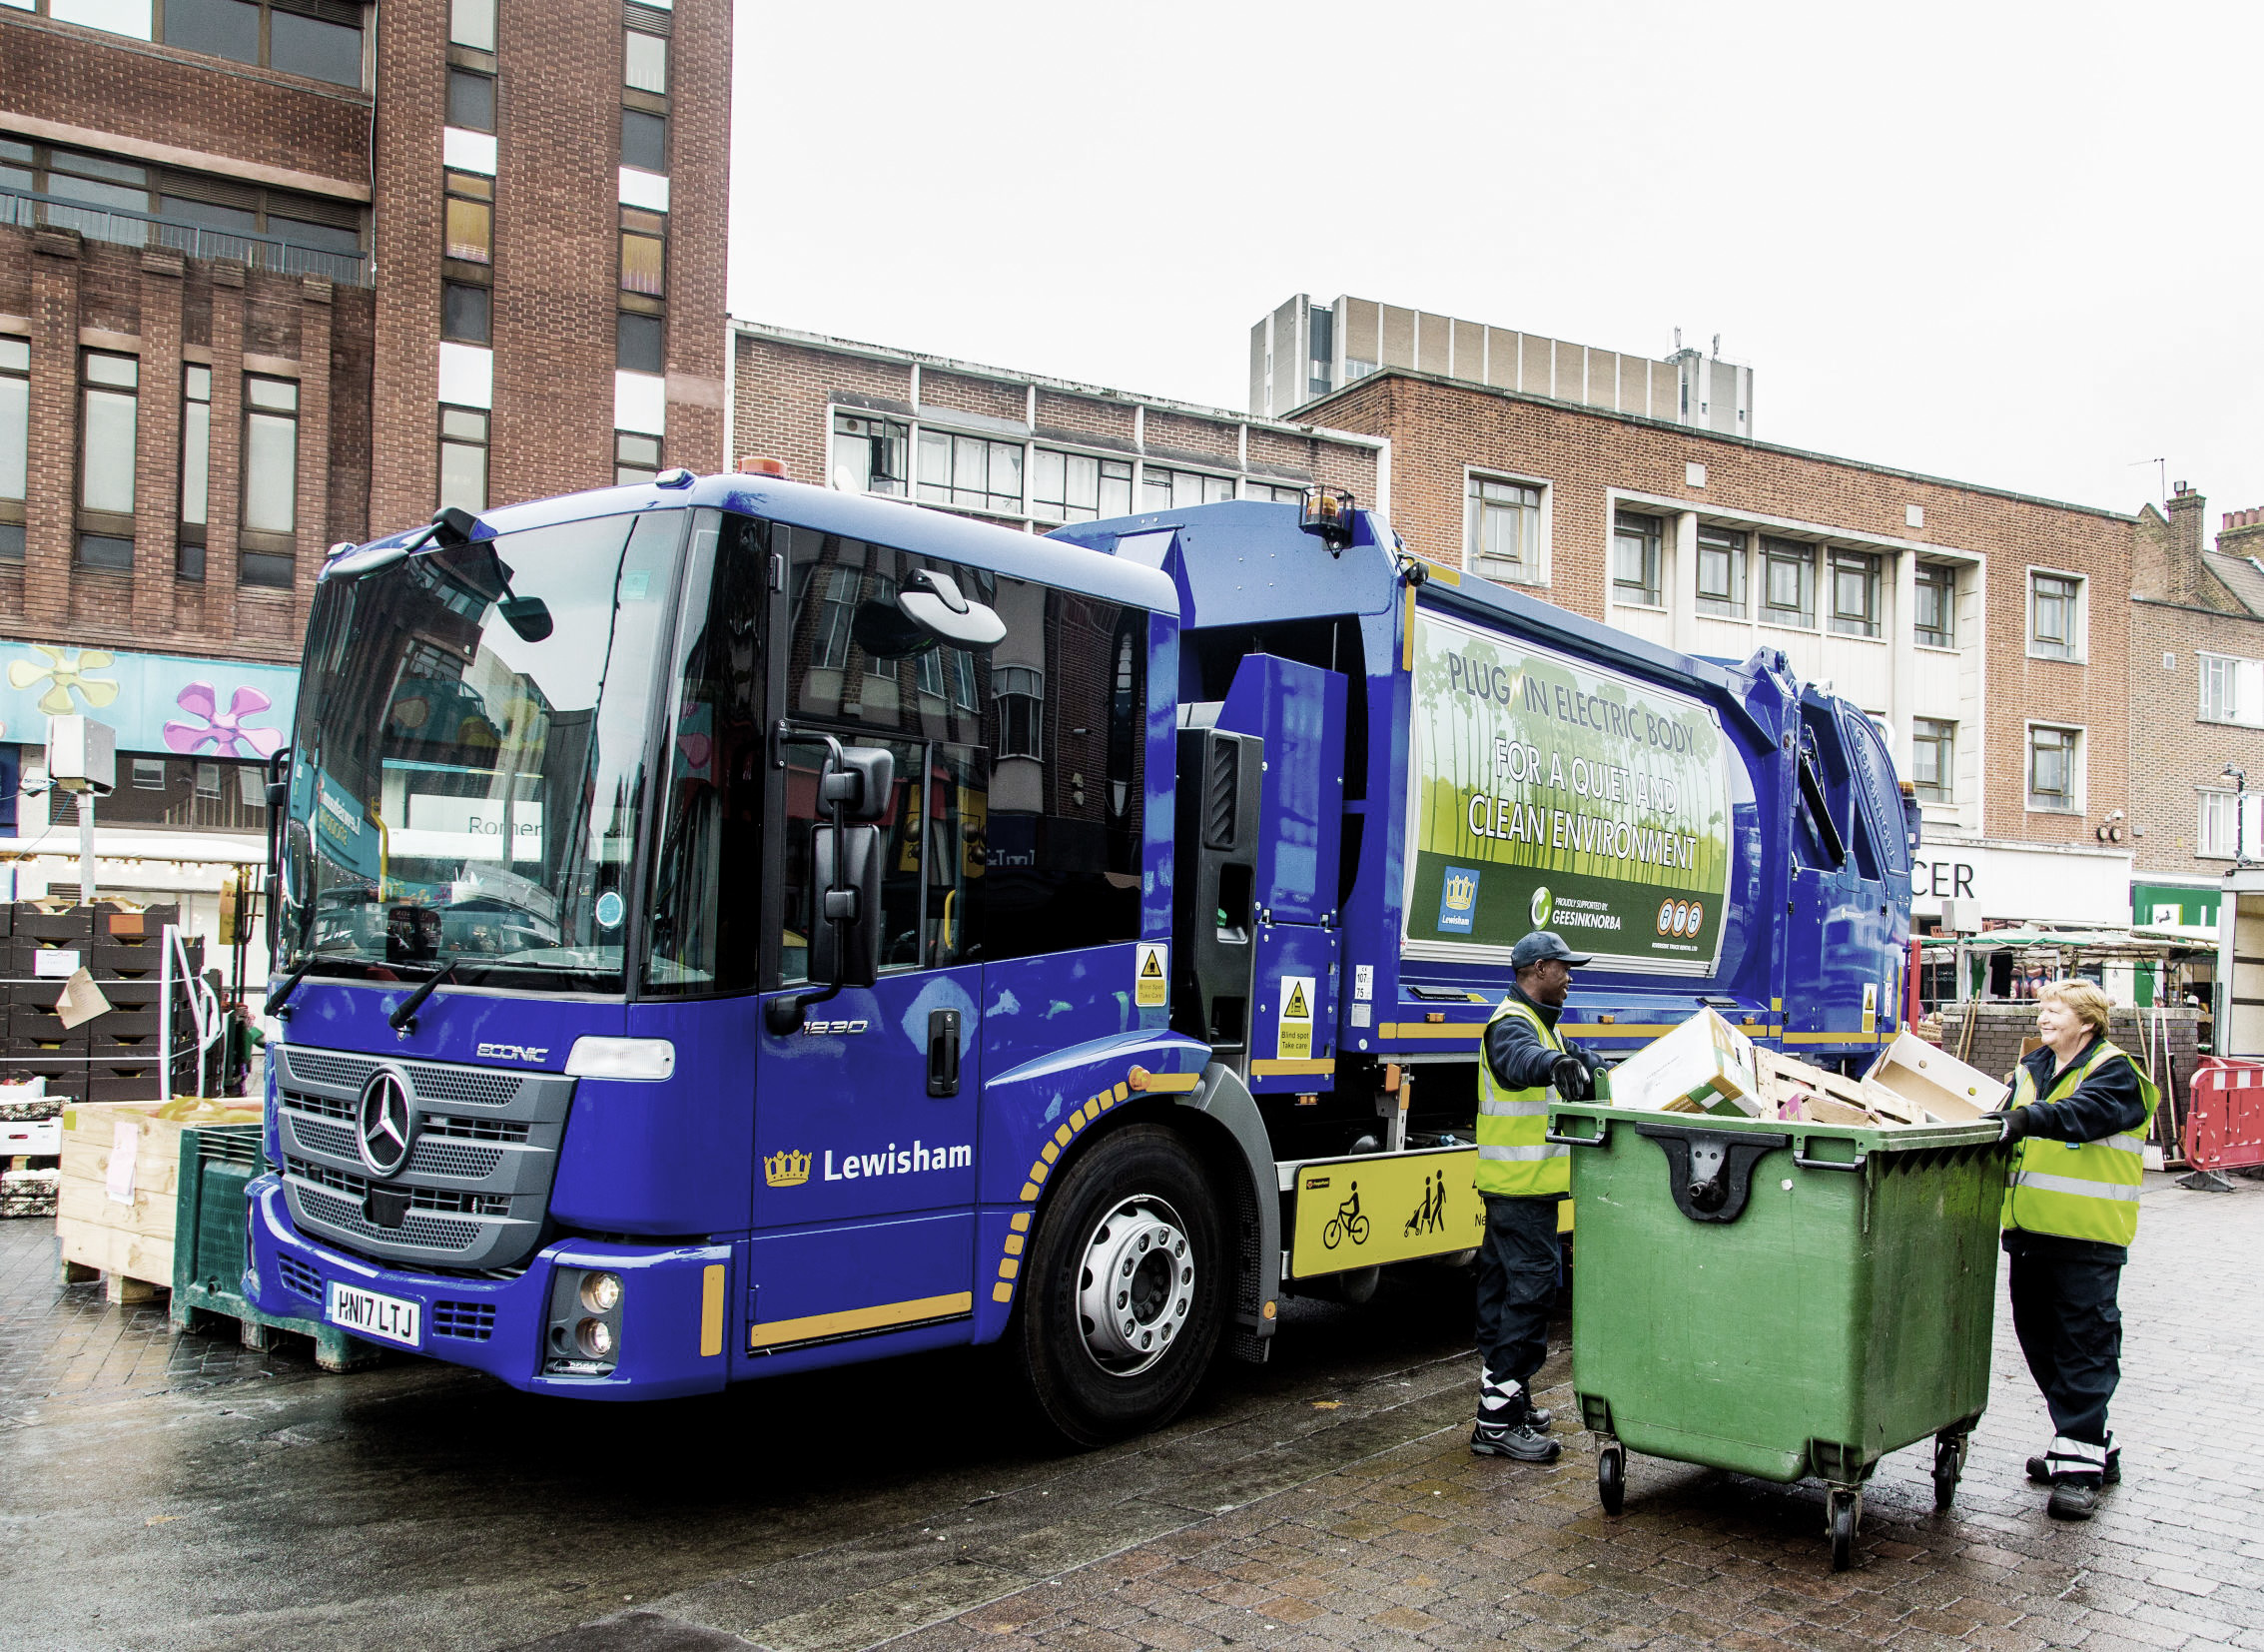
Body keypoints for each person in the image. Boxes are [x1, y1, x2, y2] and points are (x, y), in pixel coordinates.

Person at [1987, 979, 2157, 1521]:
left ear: (2087, 1021)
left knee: (2084, 1343)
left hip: (2088, 1236)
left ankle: (2080, 1470)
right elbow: (2003, 1118)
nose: (2044, 1016)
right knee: (2040, 1340)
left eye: (2056, 1009)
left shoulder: (2116, 1072)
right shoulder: (2031, 1069)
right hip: (2030, 1231)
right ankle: (2086, 1445)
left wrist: (2024, 1119)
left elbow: (2085, 1114)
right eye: (2042, 1008)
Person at [1470, 930, 1606, 1462]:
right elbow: (1519, 1061)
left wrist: (1619, 1073)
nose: (1571, 977)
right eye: (1564, 968)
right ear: (1538, 969)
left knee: (1501, 1294)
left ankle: (1505, 1398)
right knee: (1532, 1293)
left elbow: (1581, 1060)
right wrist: (1554, 1067)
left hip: (1522, 1191)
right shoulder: (1511, 1026)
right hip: (1520, 1191)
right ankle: (1496, 1424)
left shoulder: (1545, 1030)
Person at [226, 1000, 267, 1099]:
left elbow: (263, 1042)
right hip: (238, 1064)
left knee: (239, 1083)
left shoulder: (250, 1031)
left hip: (237, 1064)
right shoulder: (249, 1031)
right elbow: (263, 1042)